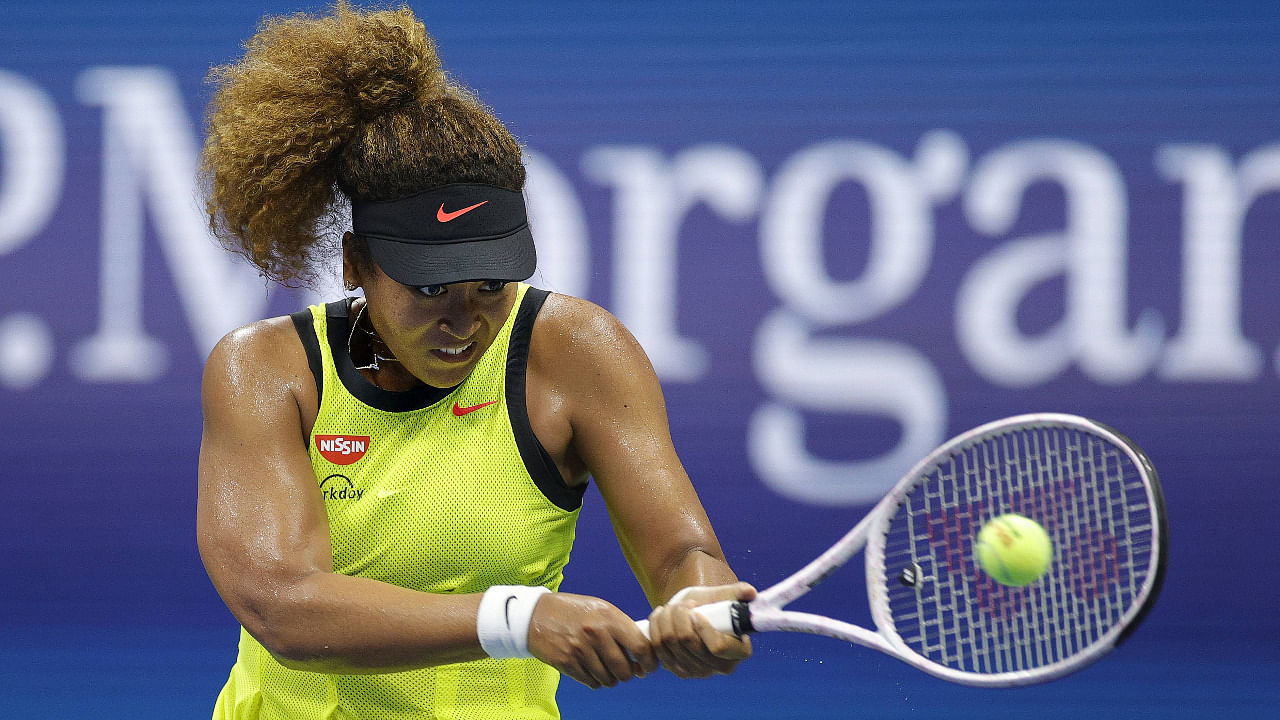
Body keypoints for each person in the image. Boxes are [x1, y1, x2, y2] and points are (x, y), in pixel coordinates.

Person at [195, 3, 753, 718]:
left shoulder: (578, 353)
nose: (465, 320)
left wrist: (699, 601)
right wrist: (519, 618)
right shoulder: (267, 371)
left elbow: (682, 556)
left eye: (491, 283)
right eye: (429, 287)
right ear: (355, 265)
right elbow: (283, 605)